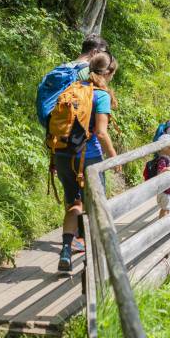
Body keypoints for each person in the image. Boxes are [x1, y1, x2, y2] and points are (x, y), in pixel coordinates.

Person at [53, 52, 118, 272]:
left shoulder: (72, 87)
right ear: (108, 73)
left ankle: (65, 251)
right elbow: (100, 132)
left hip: (62, 154)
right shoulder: (100, 95)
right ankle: (96, 261)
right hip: (87, 158)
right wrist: (114, 157)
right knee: (96, 207)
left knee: (74, 204)